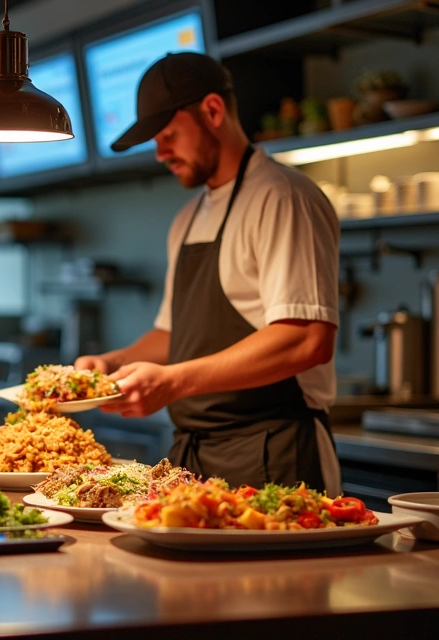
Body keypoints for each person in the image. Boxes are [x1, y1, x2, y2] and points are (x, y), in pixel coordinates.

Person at [75, 53, 342, 495]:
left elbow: (307, 338)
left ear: (213, 111)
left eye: (168, 135)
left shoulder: (282, 198)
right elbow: (171, 333)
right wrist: (111, 364)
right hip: (193, 458)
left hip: (273, 453)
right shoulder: (187, 218)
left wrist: (174, 381)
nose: (160, 153)